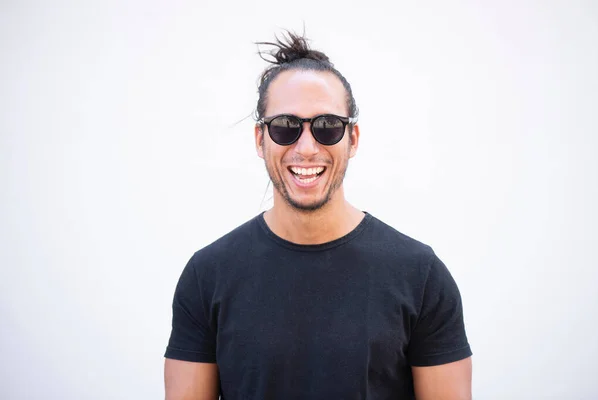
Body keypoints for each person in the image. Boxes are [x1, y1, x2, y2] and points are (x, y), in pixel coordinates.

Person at [164, 31, 472, 400]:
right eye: (284, 127)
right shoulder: (207, 275)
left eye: (327, 127)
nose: (306, 148)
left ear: (353, 138)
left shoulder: (421, 275)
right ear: (260, 140)